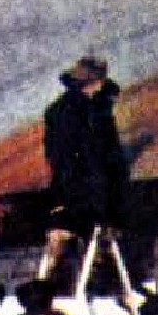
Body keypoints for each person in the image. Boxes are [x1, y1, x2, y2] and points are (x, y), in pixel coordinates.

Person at [39, 54, 128, 283]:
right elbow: (79, 158)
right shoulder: (82, 112)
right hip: (85, 195)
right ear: (95, 82)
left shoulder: (74, 109)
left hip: (76, 193)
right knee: (90, 241)